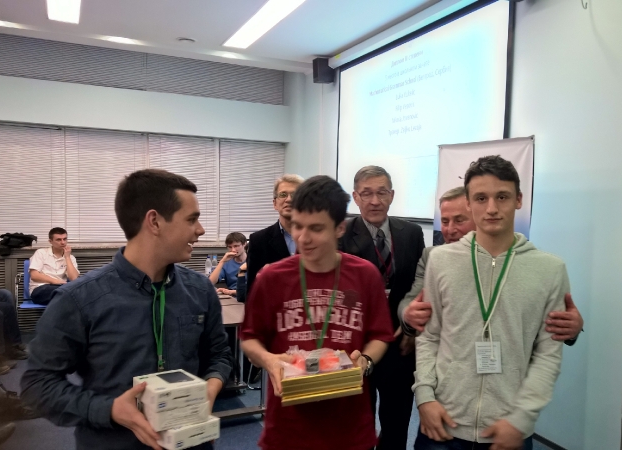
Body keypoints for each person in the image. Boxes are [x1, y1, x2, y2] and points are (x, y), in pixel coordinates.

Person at [21, 169, 234, 450]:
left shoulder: (199, 289)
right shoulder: (79, 299)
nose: (201, 230)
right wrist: (109, 409)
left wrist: (210, 387)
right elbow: (37, 384)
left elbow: (219, 354)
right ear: (154, 221)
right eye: (192, 219)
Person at [413, 156, 570, 450]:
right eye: (481, 198)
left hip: (508, 428)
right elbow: (429, 336)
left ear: (519, 200)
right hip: (443, 422)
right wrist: (424, 397)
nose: (492, 208)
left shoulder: (550, 270)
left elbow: (548, 354)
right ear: (469, 203)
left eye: (502, 197)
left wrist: (521, 418)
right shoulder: (441, 261)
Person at [241, 175, 395, 450]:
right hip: (288, 430)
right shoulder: (272, 278)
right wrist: (268, 360)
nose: (303, 238)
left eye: (316, 228)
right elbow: (250, 338)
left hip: (349, 428)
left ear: (339, 229)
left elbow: (380, 335)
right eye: (297, 226)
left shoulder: (365, 275)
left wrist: (366, 361)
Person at [398, 187, 583, 344]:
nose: (450, 229)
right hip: (451, 360)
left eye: (459, 220)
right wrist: (408, 314)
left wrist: (572, 327)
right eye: (445, 221)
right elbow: (410, 300)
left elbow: (554, 322)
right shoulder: (432, 257)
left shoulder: (525, 259)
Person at [338, 165, 425, 450]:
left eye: (382, 192)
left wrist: (411, 331)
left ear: (392, 195)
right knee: (357, 423)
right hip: (356, 345)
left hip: (401, 343)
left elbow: (419, 286)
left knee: (396, 423)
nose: (375, 201)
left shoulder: (411, 233)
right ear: (355, 197)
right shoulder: (341, 234)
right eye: (367, 193)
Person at [246, 174, 304, 295]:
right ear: (275, 204)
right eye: (283, 195)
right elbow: (252, 292)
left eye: (295, 195)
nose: (289, 199)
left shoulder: (315, 238)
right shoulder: (258, 240)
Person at [28, 227, 80, 305]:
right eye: (58, 240)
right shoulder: (41, 253)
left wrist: (67, 257)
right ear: (50, 241)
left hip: (62, 289)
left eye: (65, 239)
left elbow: (74, 278)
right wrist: (56, 281)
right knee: (69, 294)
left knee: (72, 294)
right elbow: (34, 276)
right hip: (41, 288)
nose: (63, 242)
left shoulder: (71, 258)